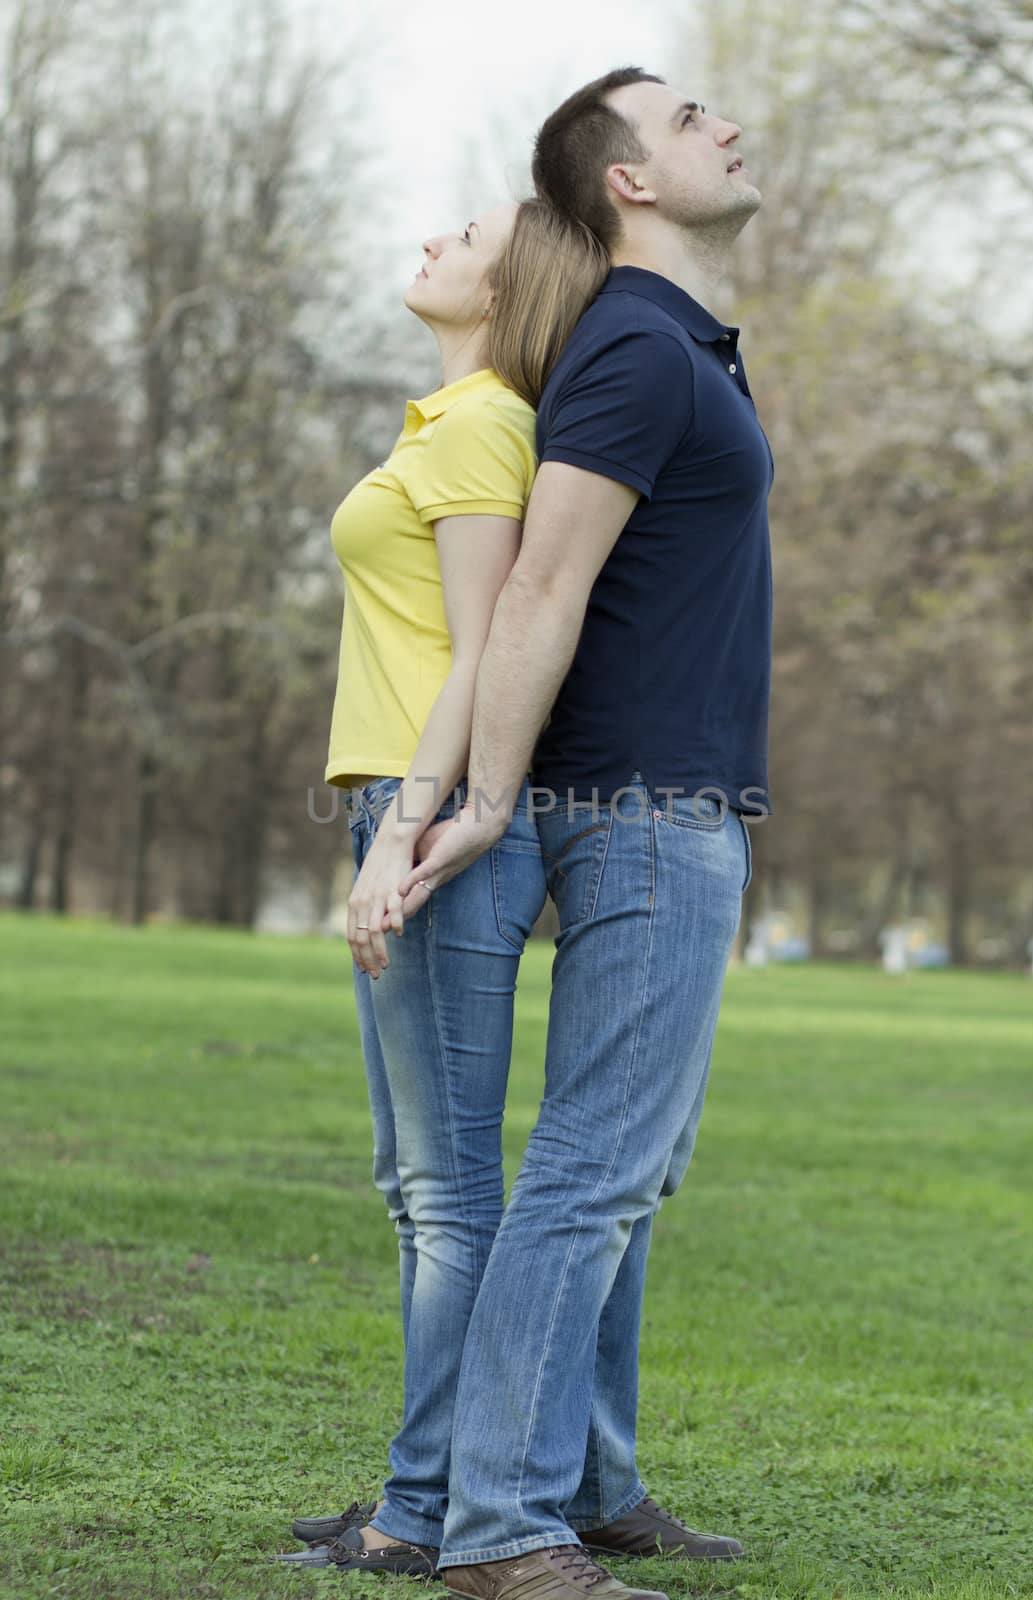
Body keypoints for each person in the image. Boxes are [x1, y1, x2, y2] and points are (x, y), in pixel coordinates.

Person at [394, 67, 774, 1600]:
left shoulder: (679, 343)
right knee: (589, 1177)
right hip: (636, 811)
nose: (726, 124)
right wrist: (488, 797)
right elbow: (542, 590)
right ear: (627, 183)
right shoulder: (633, 343)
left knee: (628, 1172)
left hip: (674, 805)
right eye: (689, 121)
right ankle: (500, 1530)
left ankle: (591, 1487)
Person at [275, 199, 610, 1579]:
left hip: (429, 824)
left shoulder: (482, 426)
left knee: (446, 1195)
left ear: (510, 279)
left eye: (462, 229)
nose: (429, 235)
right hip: (393, 805)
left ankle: (423, 1511)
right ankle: (422, 1493)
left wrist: (403, 834)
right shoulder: (447, 422)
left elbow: (487, 654)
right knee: (420, 1189)